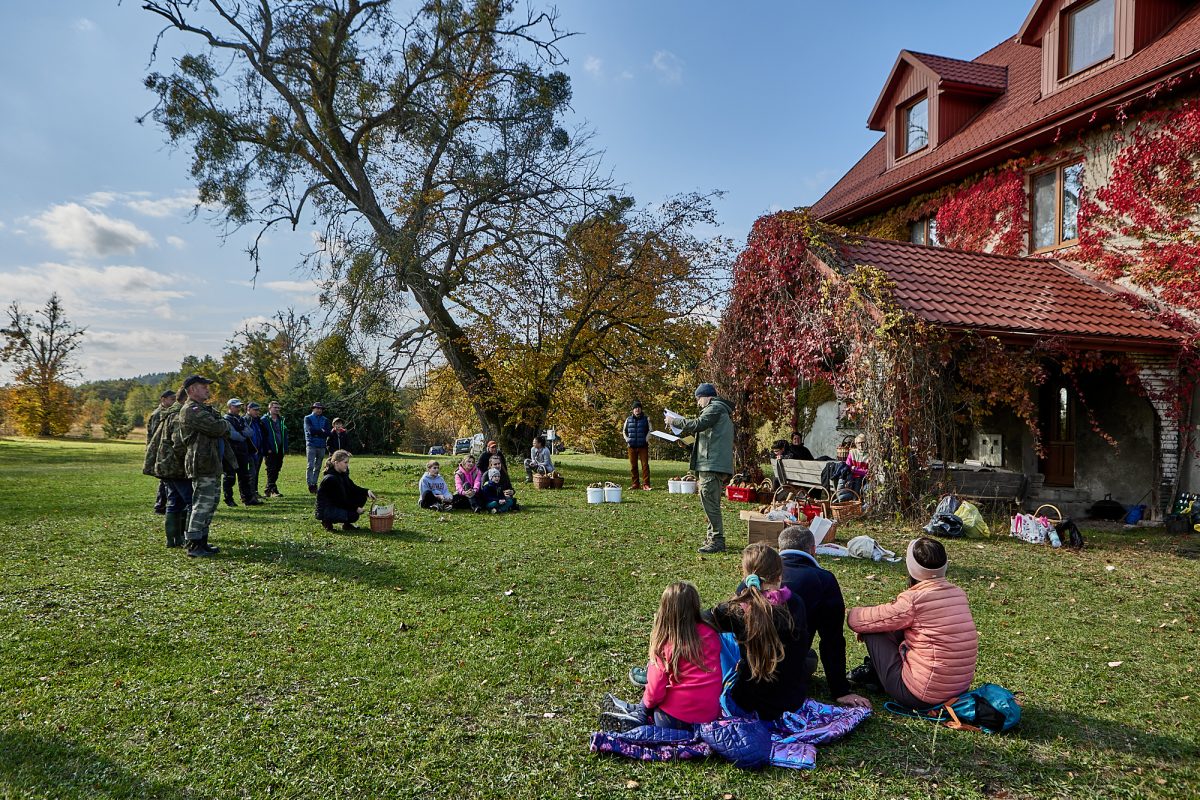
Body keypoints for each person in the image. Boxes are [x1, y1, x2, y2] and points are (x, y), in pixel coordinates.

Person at [846, 537, 978, 711]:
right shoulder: (958, 594)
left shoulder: (913, 601)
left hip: (922, 697)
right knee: (891, 625)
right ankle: (875, 674)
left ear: (911, 566)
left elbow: (859, 621)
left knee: (874, 629)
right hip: (958, 692)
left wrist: (850, 614)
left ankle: (875, 674)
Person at [599, 582, 722, 733]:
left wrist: (647, 703)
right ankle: (634, 710)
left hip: (673, 719)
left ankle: (639, 716)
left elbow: (656, 690)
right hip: (709, 716)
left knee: (655, 699)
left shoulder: (667, 642)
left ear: (665, 609)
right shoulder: (711, 634)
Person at [708, 543, 809, 721]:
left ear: (746, 576)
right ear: (780, 576)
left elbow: (699, 619)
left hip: (746, 703)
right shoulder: (796, 603)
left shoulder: (736, 610)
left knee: (719, 634)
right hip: (791, 702)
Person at [776, 526, 871, 708]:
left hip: (745, 668)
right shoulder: (824, 580)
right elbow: (832, 640)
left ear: (780, 548)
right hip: (785, 669)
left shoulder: (755, 576)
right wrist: (841, 690)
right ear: (813, 550)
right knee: (809, 659)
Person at [665, 383, 735, 554]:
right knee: (710, 501)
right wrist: (688, 444)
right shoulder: (717, 410)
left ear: (707, 396)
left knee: (710, 502)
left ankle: (717, 540)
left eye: (698, 399)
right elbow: (708, 438)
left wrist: (674, 421)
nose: (698, 403)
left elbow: (698, 424)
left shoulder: (715, 408)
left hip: (711, 465)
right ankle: (713, 536)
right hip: (710, 463)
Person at [177, 374, 232, 558]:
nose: (207, 389)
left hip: (211, 461)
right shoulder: (191, 409)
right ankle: (194, 545)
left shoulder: (202, 408)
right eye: (203, 386)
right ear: (192, 390)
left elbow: (219, 425)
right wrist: (224, 424)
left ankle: (203, 541)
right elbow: (217, 428)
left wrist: (222, 424)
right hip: (201, 462)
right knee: (202, 504)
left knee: (211, 502)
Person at [146, 386, 190, 548]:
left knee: (173, 501)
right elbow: (179, 444)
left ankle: (173, 540)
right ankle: (185, 537)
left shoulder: (168, 413)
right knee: (188, 501)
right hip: (175, 466)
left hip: (165, 464)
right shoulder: (178, 415)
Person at [315, 449, 376, 531]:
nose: (347, 465)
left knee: (361, 496)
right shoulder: (330, 479)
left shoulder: (342, 474)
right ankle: (327, 521)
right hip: (327, 509)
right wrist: (355, 508)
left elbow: (353, 487)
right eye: (345, 462)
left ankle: (346, 525)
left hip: (337, 504)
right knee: (354, 515)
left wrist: (367, 491)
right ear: (336, 463)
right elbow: (339, 501)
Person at [221, 398, 262, 507]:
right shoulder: (226, 419)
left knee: (244, 476)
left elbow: (250, 432)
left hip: (243, 451)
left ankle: (248, 499)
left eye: (239, 406)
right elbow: (233, 435)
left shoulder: (241, 419)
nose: (238, 409)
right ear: (229, 407)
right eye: (236, 406)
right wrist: (242, 433)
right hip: (230, 452)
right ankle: (228, 499)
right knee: (229, 477)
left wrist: (241, 433)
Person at [147, 389, 176, 514]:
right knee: (165, 479)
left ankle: (163, 505)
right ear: (163, 399)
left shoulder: (169, 413)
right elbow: (155, 436)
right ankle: (160, 505)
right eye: (171, 399)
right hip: (159, 451)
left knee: (166, 478)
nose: (174, 402)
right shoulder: (158, 414)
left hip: (165, 451)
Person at [623, 400, 653, 491]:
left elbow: (650, 430)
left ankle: (646, 484)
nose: (637, 409)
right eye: (635, 408)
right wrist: (627, 439)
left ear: (641, 409)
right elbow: (624, 431)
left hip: (643, 446)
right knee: (633, 466)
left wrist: (646, 439)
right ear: (632, 410)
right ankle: (635, 484)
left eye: (638, 408)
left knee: (645, 466)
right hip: (631, 446)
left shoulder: (646, 419)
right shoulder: (628, 419)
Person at [304, 401, 331, 493]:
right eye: (317, 408)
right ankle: (310, 484)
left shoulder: (325, 419)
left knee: (318, 466)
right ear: (313, 409)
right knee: (310, 465)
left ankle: (314, 483)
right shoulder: (308, 418)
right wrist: (321, 431)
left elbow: (328, 433)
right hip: (311, 445)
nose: (319, 410)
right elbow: (311, 431)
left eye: (321, 408)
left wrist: (319, 432)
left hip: (322, 445)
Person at [261, 400, 288, 497]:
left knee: (277, 468)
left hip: (280, 448)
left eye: (278, 408)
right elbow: (263, 436)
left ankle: (269, 489)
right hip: (270, 449)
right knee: (271, 469)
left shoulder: (281, 420)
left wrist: (285, 447)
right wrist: (267, 448)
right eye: (275, 407)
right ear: (269, 408)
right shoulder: (264, 420)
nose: (277, 409)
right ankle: (272, 489)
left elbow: (284, 434)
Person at [244, 401, 267, 499]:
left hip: (259, 451)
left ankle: (255, 492)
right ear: (248, 410)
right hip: (250, 451)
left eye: (258, 410)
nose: (257, 412)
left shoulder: (258, 421)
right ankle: (250, 494)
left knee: (256, 473)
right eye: (255, 410)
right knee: (251, 474)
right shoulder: (245, 420)